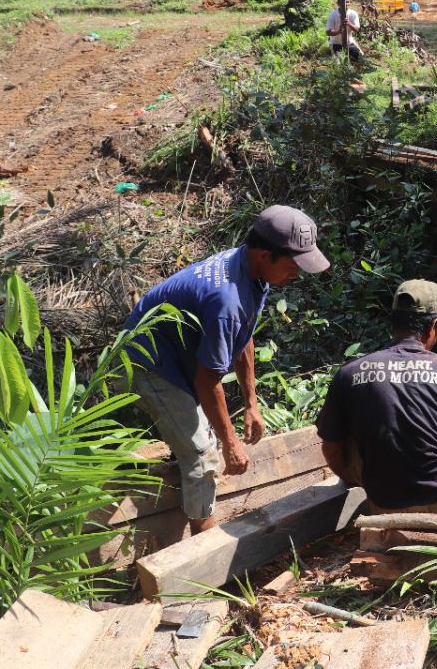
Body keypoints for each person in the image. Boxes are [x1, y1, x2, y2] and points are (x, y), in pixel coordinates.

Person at [122, 206, 330, 533]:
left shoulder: (249, 269)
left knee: (204, 442)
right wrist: (230, 443)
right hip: (146, 362)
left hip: (176, 355)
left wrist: (252, 404)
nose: (296, 274)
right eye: (293, 265)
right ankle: (202, 556)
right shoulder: (226, 299)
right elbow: (207, 381)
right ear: (265, 255)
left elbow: (243, 336)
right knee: (203, 457)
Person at [316, 280, 437, 514]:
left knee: (348, 437)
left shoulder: (349, 374)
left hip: (386, 503)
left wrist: (361, 481)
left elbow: (331, 448)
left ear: (394, 322)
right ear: (434, 326)